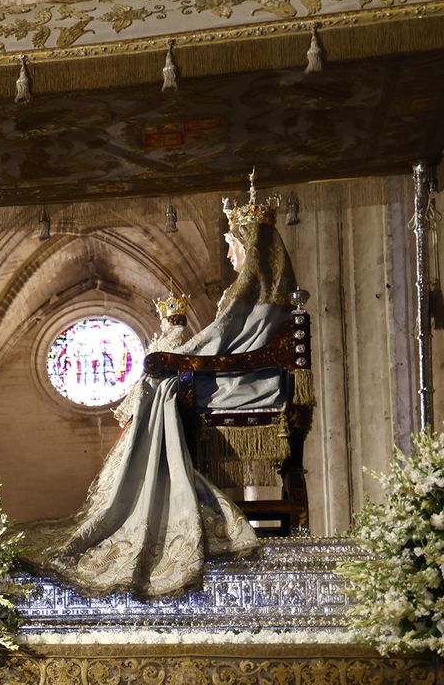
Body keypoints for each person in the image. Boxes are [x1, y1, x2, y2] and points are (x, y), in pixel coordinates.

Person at [18, 176, 296, 599]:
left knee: (157, 387)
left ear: (247, 243)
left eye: (230, 242)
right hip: (238, 375)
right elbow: (221, 341)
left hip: (244, 381)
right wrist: (178, 361)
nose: (227, 251)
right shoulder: (258, 288)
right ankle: (148, 495)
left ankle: (145, 505)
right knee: (159, 385)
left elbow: (221, 342)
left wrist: (175, 360)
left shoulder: (249, 288)